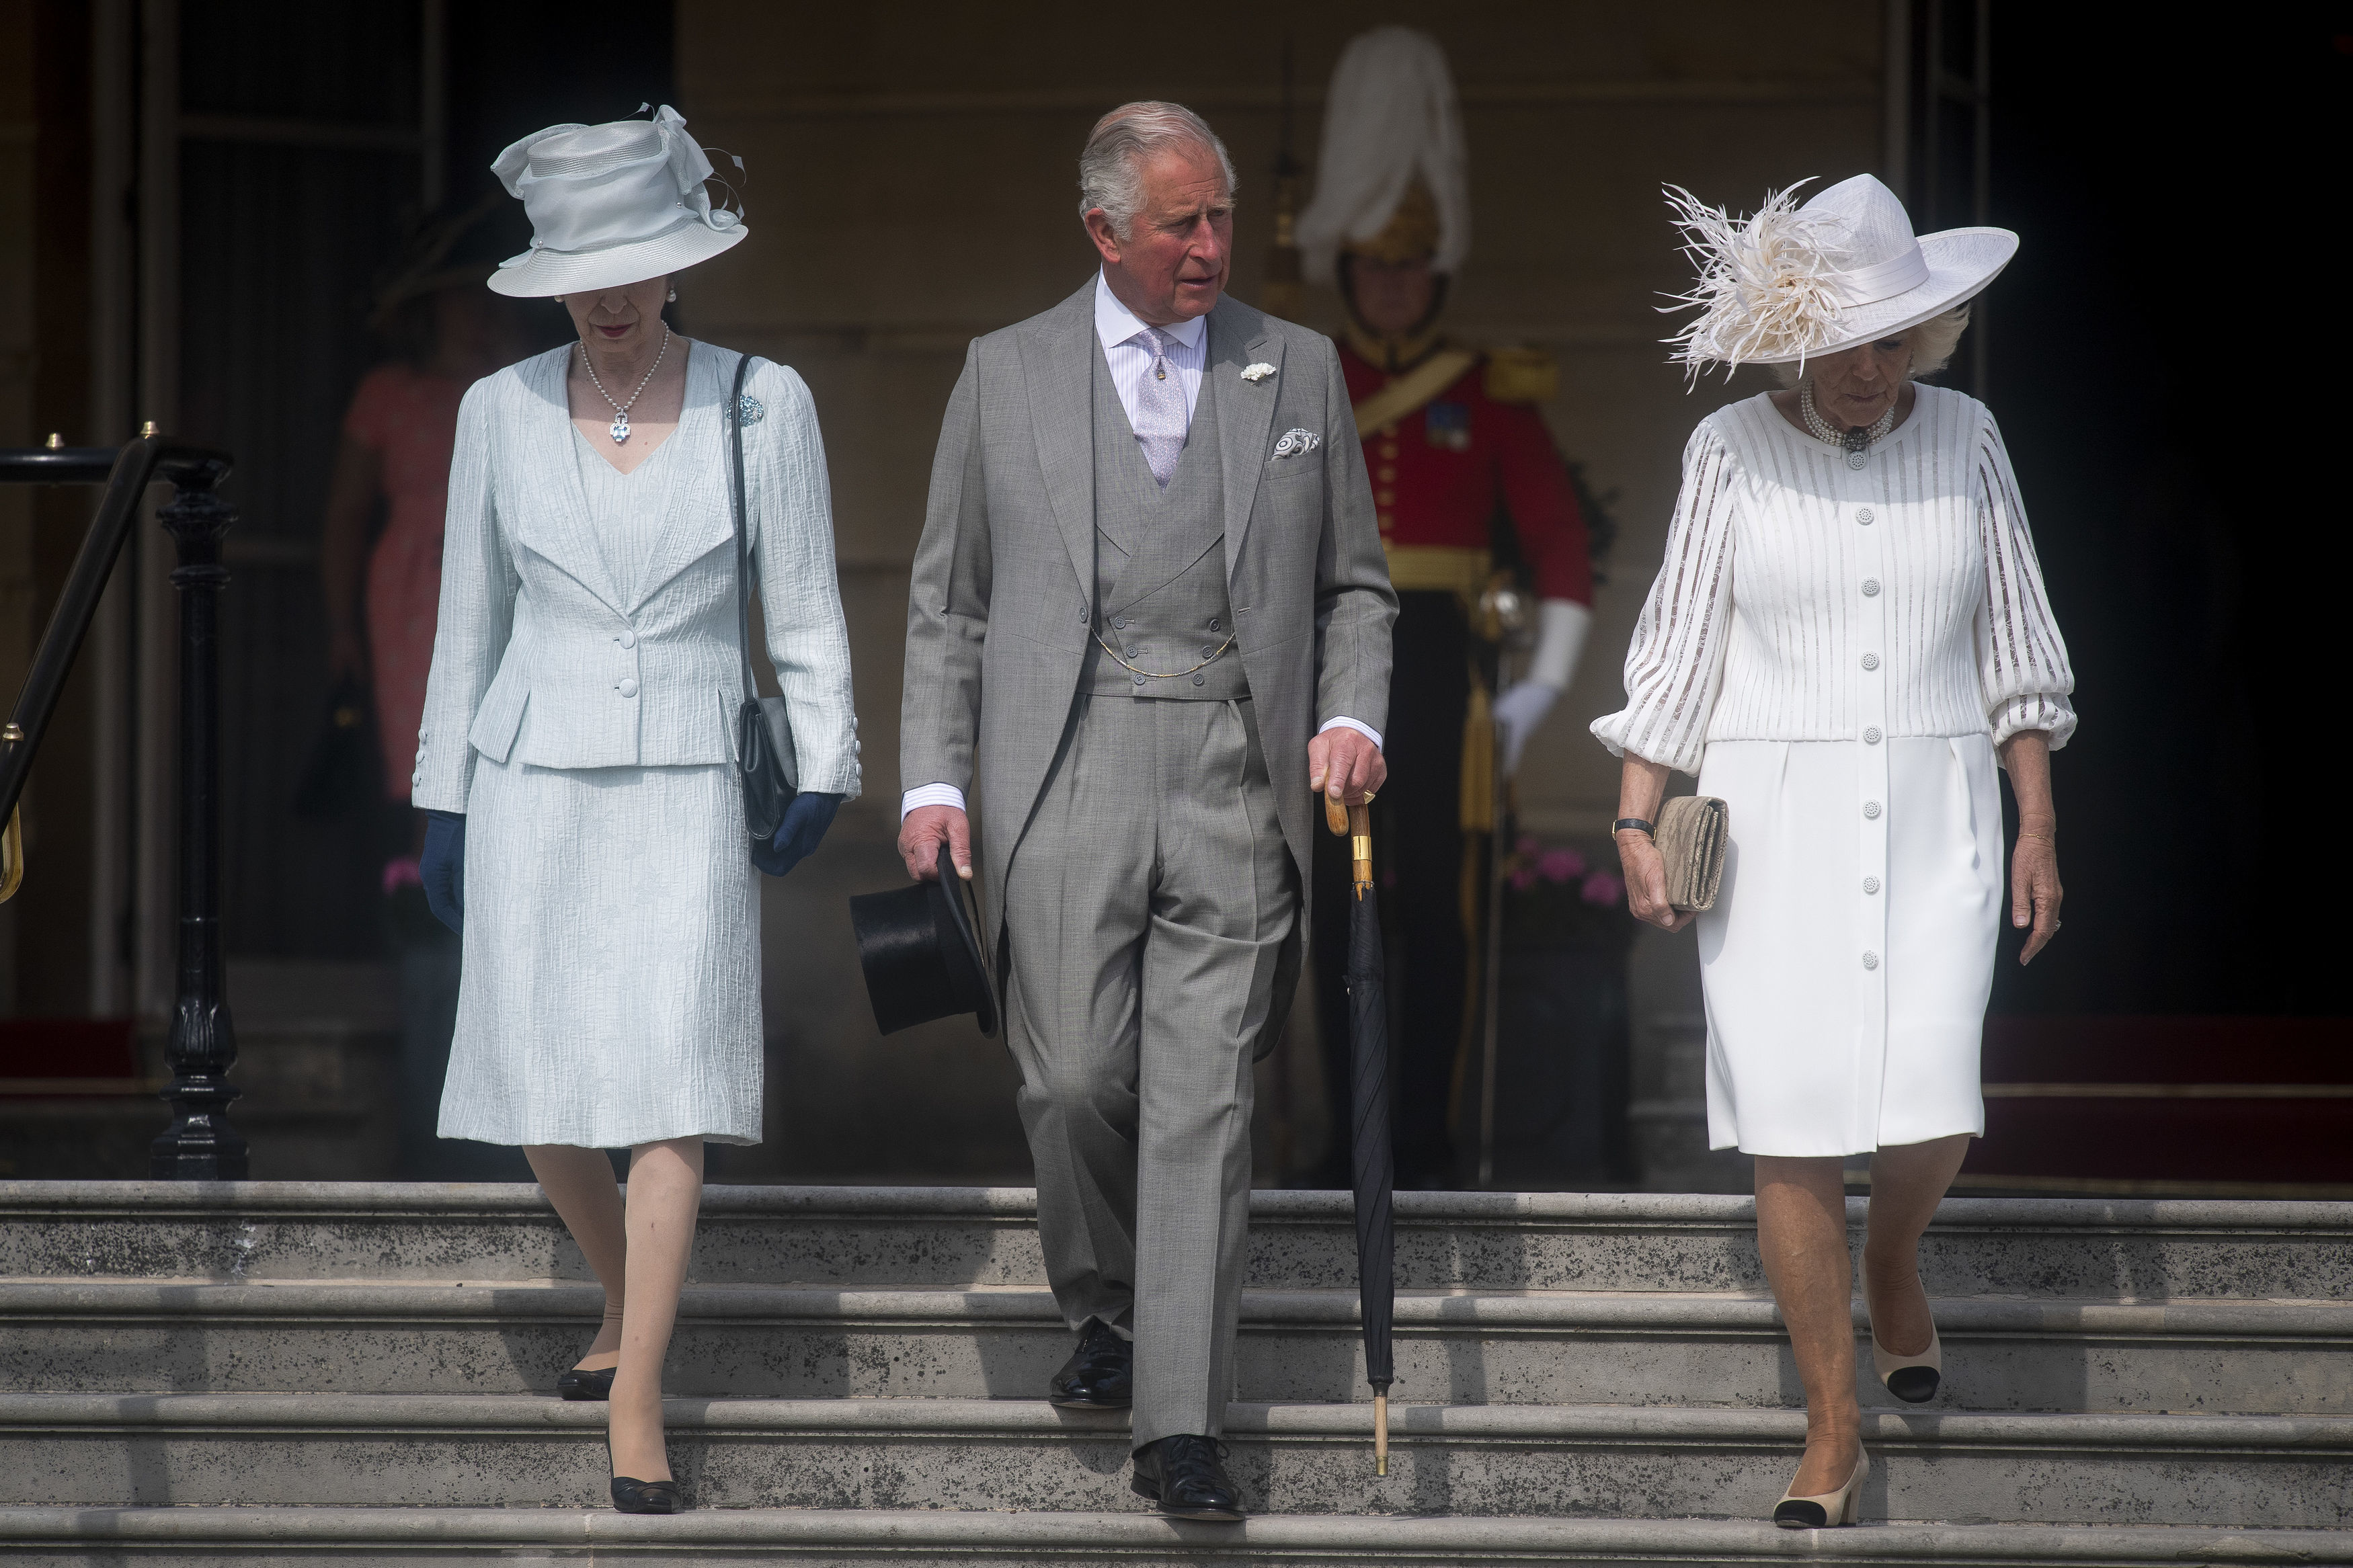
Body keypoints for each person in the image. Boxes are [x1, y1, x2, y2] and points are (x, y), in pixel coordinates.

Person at [895, 101, 1394, 1521]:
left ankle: (1181, 1422)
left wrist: (1350, 711)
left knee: (1202, 1107)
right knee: (1068, 1081)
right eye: (1181, 222)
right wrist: (933, 781)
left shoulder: (1292, 368)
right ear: (1103, 231)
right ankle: (1103, 1299)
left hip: (1242, 771)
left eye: (1221, 215)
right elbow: (949, 600)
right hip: (1063, 765)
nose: (1211, 246)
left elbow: (1354, 586)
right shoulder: (1003, 373)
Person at [1593, 173, 2072, 1528]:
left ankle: (1897, 1261)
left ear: (1922, 338)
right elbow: (1678, 650)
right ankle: (1829, 1423)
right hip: (1774, 824)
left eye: (1889, 341)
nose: (1865, 370)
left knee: (1934, 1102)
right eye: (1840, 342)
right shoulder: (1730, 450)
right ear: (1793, 341)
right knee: (1792, 1135)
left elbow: (2016, 649)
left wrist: (2035, 820)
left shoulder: (1970, 437)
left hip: (1940, 812)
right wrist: (1636, 817)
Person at [411, 106, 861, 1514]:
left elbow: (801, 604)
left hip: (684, 771)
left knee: (673, 1078)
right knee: (540, 1076)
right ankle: (622, 1293)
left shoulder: (760, 400)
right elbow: (465, 619)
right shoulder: (497, 411)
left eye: (633, 266)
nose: (604, 297)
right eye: (577, 274)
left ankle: (644, 1390)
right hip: (531, 766)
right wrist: (443, 797)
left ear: (679, 265)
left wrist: (830, 761)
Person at [1294, 26, 1597, 1188]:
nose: (1392, 284)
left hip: (1447, 676)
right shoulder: (1304, 374)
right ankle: (1345, 1140)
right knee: (1340, 918)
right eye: (1374, 266)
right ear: (1348, 271)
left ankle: (1422, 1137)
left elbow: (1561, 546)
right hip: (1333, 669)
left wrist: (1536, 693)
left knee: (1440, 921)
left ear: (1438, 274)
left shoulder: (1486, 387)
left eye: (1410, 269)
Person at [320, 198, 536, 1182]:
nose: (479, 320)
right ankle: (431, 930)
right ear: (433, 310)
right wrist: (338, 637)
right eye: (462, 305)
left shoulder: (528, 389)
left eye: (487, 306)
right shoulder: (390, 392)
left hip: (511, 588)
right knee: (429, 779)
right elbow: (341, 519)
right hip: (413, 589)